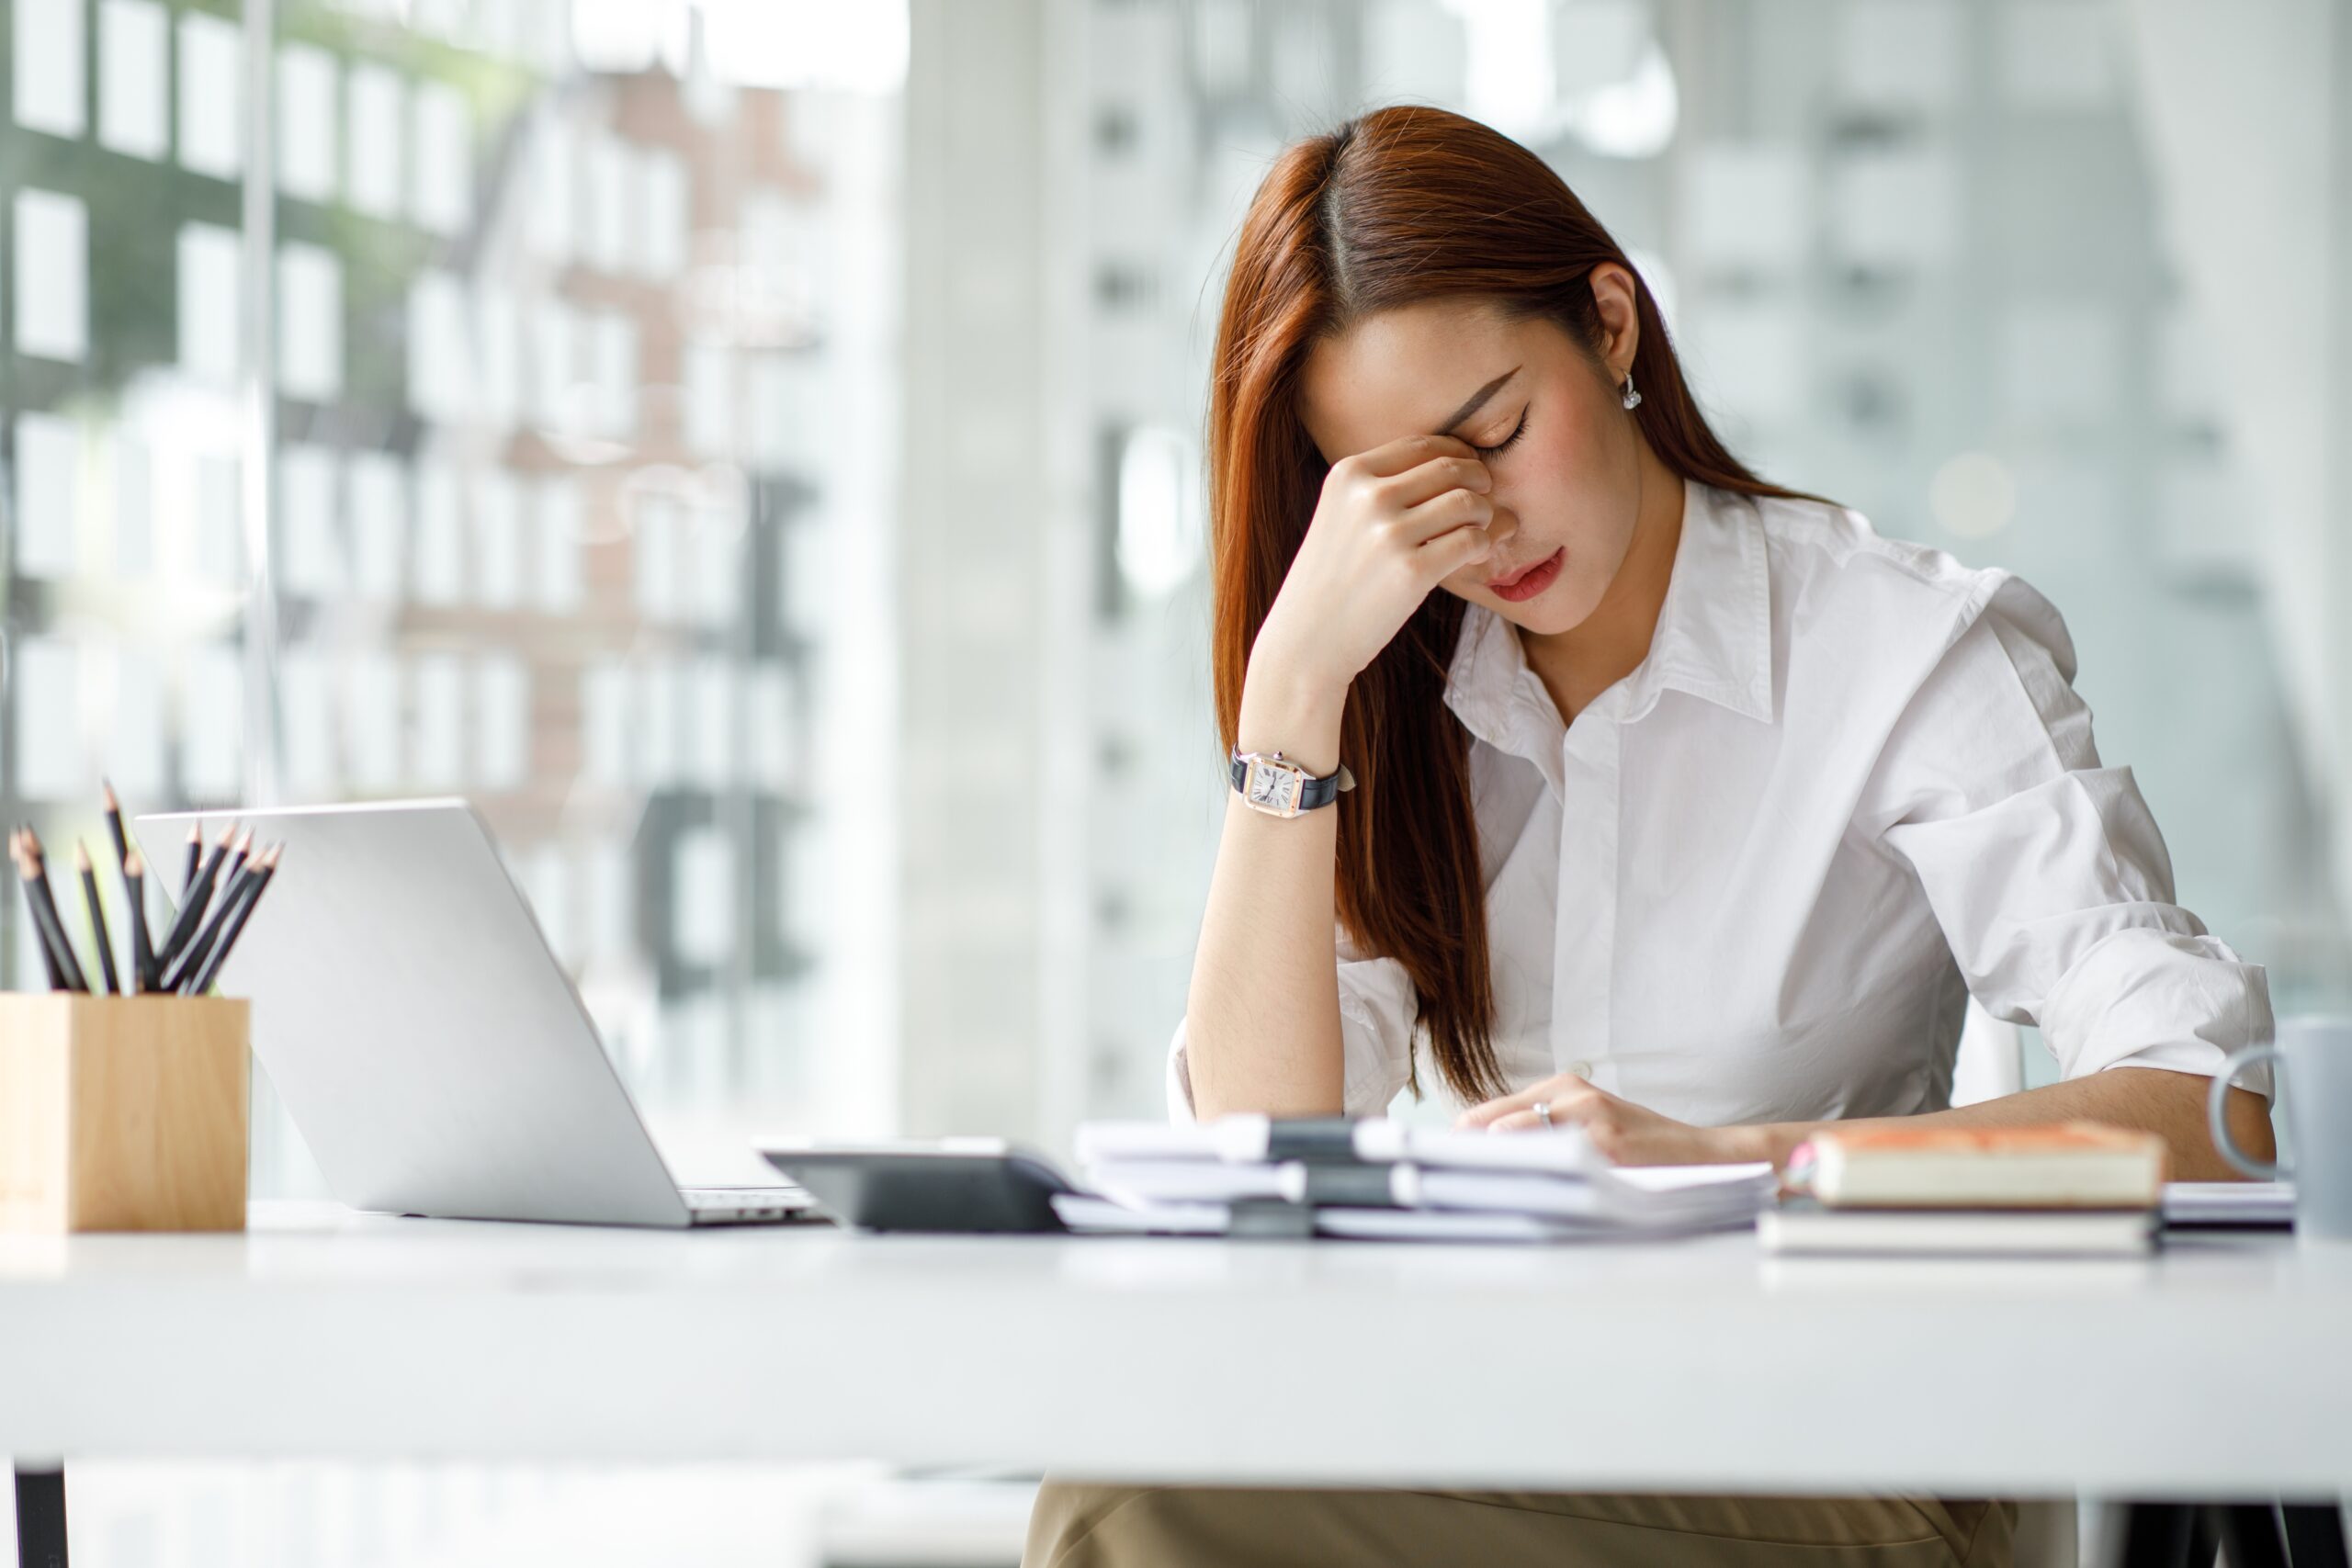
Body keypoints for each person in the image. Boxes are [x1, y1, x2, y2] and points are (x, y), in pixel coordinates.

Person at [1023, 103, 2276, 1568]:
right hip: (1519, 1422)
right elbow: (1257, 1164)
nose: (1480, 526)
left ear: (1611, 324)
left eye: (1493, 431)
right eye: (1406, 499)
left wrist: (1723, 1161)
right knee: (1139, 1476)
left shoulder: (1897, 650)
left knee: (1127, 1509)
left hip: (1855, 1452)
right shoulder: (1397, 703)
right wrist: (1292, 700)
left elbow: (2218, 1107)